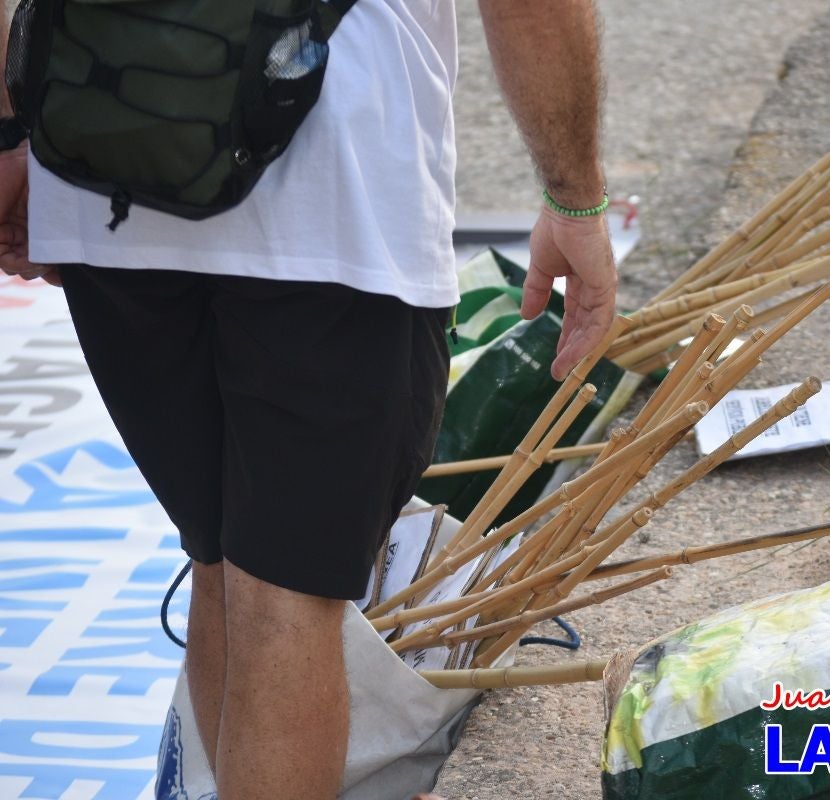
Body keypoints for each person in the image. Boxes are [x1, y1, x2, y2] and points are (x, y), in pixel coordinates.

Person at [0, 1, 617, 798]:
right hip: (331, 190)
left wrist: (9, 129)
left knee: (221, 561)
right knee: (283, 592)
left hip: (105, 147)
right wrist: (575, 197)